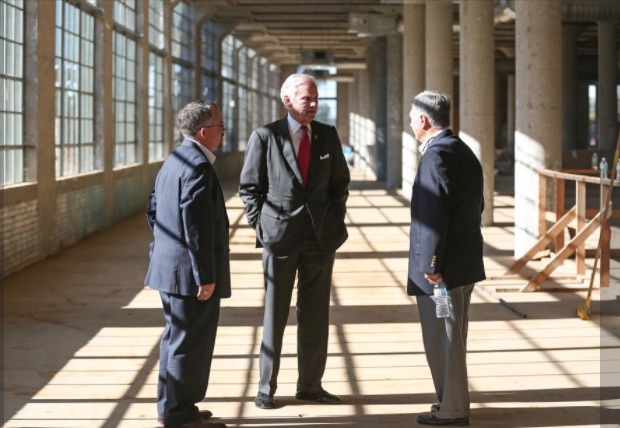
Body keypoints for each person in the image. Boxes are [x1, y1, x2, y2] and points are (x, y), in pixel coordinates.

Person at [239, 73, 350, 409]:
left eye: (316, 99)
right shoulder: (265, 137)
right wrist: (262, 228)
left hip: (320, 239)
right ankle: (265, 387)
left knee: (316, 314)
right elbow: (249, 189)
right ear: (287, 100)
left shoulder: (328, 136)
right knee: (275, 313)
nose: (314, 105)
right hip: (280, 239)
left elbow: (339, 185)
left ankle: (310, 385)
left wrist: (333, 221)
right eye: (307, 99)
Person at [145, 100, 230, 428]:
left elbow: (153, 208)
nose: (223, 132)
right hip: (189, 275)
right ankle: (179, 416)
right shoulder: (197, 164)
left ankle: (172, 408)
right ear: (204, 132)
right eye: (220, 126)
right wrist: (204, 275)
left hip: (170, 267)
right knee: (188, 343)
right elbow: (195, 225)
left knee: (175, 340)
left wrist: (168, 247)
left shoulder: (175, 159)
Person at [406, 90, 486, 426]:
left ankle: (452, 410)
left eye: (411, 117)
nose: (410, 123)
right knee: (452, 338)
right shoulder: (463, 150)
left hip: (443, 271)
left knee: (444, 340)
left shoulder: (436, 156)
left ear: (423, 120)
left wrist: (431, 266)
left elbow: (433, 215)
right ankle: (453, 404)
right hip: (464, 263)